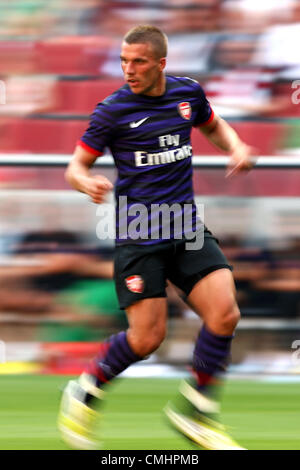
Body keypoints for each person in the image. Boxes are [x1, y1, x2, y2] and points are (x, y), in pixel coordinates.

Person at [58, 24, 254, 450]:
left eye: (139, 62)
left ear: (161, 63)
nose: (129, 69)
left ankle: (196, 413)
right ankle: (86, 388)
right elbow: (75, 166)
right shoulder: (112, 110)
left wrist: (235, 146)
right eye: (125, 61)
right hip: (140, 234)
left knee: (225, 314)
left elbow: (214, 125)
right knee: (147, 338)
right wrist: (85, 182)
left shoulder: (187, 94)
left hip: (185, 225)